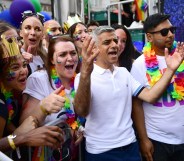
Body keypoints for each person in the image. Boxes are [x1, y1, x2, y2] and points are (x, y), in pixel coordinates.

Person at [73, 26, 184, 161]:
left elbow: (150, 96)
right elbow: (81, 111)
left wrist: (170, 70)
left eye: (115, 40)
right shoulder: (83, 77)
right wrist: (85, 73)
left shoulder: (124, 73)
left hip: (130, 147)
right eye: (107, 42)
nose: (115, 45)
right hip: (100, 151)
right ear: (95, 48)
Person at [0, 26, 64, 158]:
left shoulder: (8, 95)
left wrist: (18, 133)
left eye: (24, 65)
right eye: (15, 67)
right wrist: (22, 138)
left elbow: (9, 126)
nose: (24, 71)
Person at [20, 35, 84, 161]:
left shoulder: (80, 80)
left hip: (72, 153)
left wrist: (78, 128)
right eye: (63, 54)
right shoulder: (39, 79)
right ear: (52, 60)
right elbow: (24, 124)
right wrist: (42, 107)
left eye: (73, 53)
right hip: (45, 155)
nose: (70, 58)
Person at [131, 13, 184, 161]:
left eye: (172, 30)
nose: (170, 35)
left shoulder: (182, 55)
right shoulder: (140, 64)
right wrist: (143, 140)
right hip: (157, 140)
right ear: (149, 37)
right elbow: (137, 105)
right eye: (164, 32)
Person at [19, 10, 46, 75]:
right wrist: (22, 64)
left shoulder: (47, 55)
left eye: (37, 29)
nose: (33, 33)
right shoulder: (16, 56)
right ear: (21, 33)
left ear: (42, 35)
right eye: (28, 28)